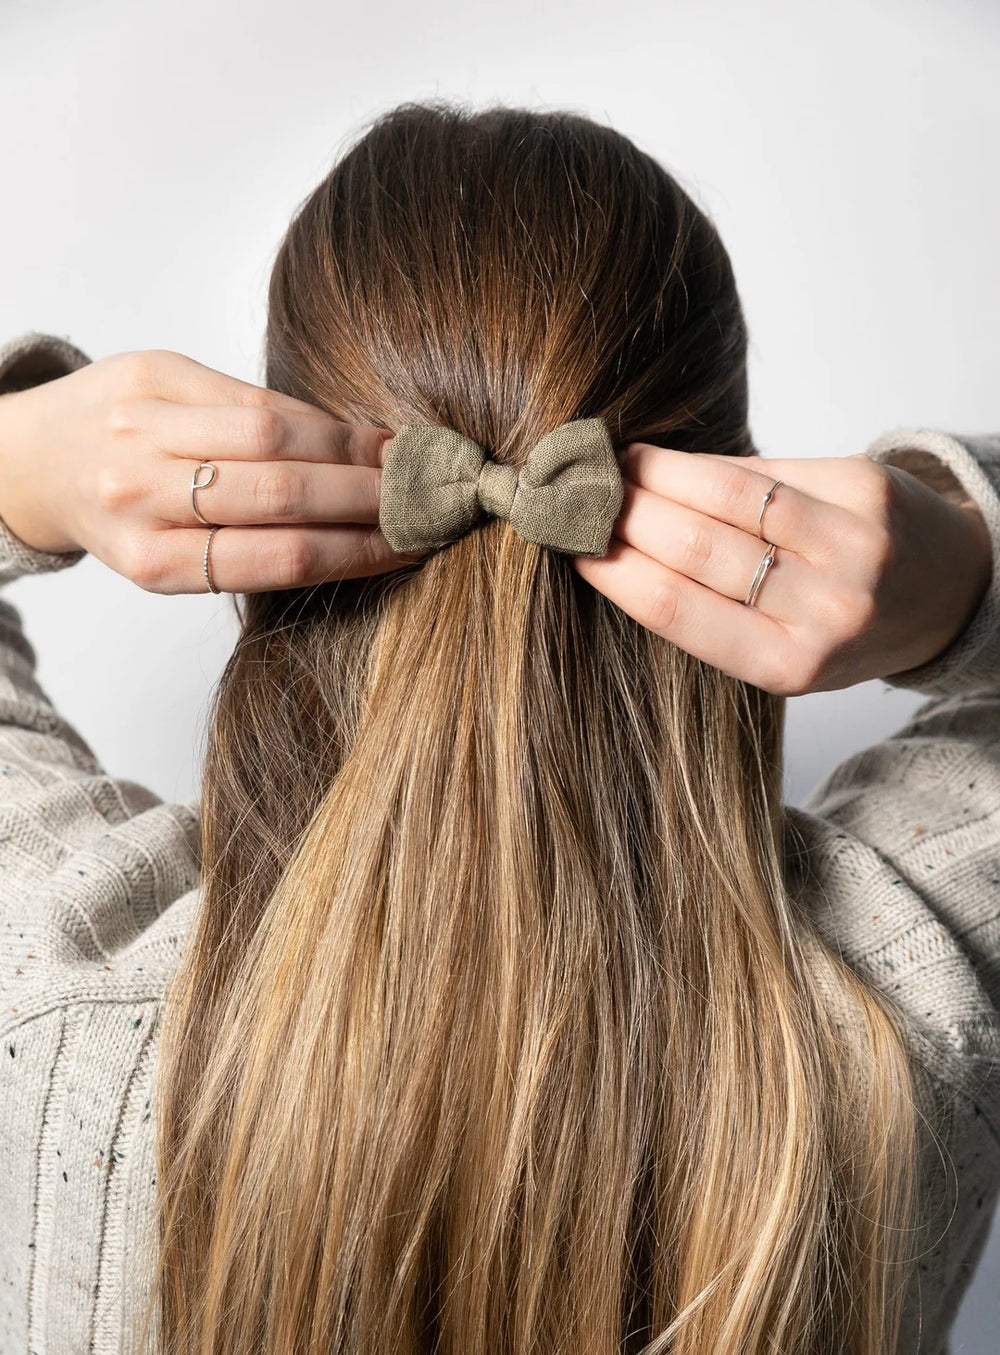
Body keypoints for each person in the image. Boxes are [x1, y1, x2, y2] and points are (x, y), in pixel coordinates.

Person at [0, 102, 997, 1355]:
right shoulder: (908, 1000)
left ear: (259, 493)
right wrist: (958, 564)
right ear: (743, 488)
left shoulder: (50, 982)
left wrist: (21, 457)